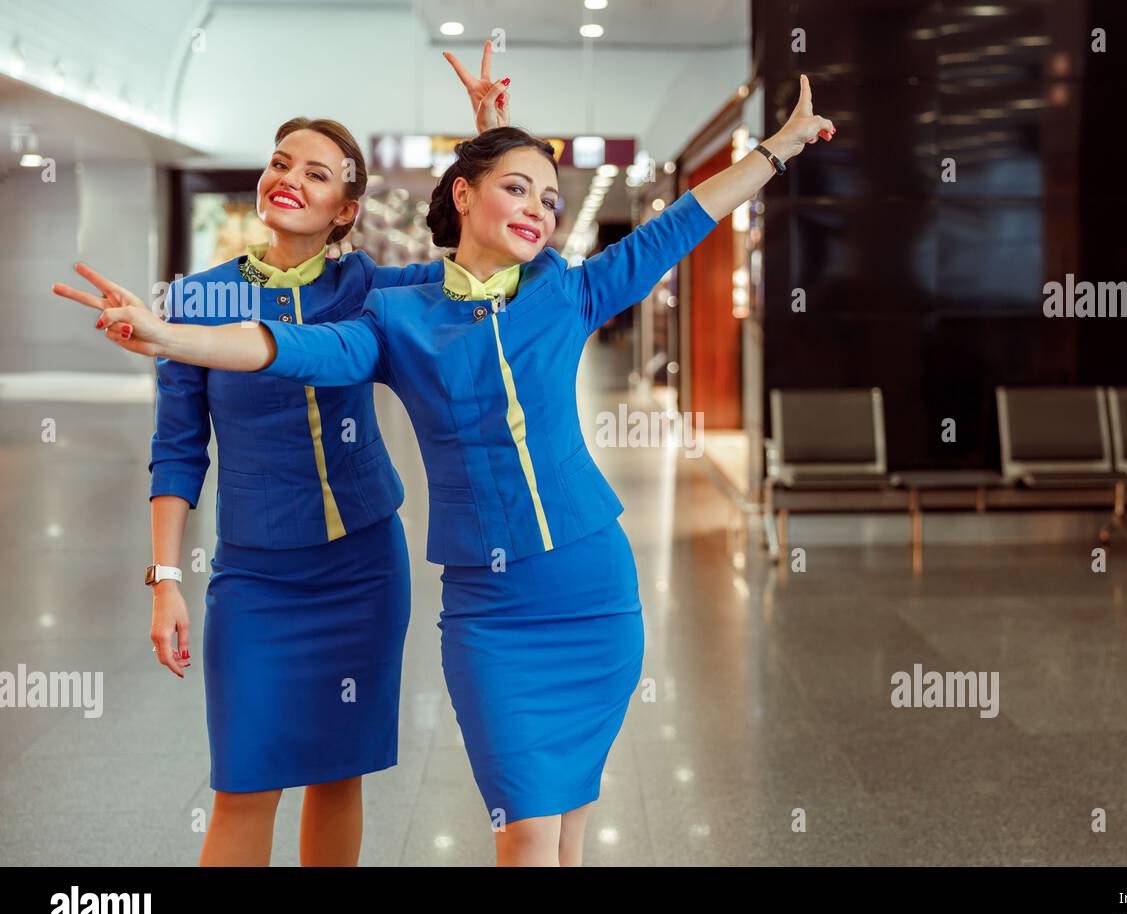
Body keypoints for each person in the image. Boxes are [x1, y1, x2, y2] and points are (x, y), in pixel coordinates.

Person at [77, 75, 834, 866]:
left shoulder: (559, 291)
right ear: (464, 195)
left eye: (550, 199)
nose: (540, 209)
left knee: (560, 825)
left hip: (590, 588)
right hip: (481, 604)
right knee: (524, 821)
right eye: (517, 190)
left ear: (346, 209)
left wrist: (779, 150)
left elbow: (686, 219)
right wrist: (172, 337)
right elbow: (293, 348)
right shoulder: (395, 313)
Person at [51, 41, 514, 867]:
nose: (287, 177)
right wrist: (165, 583)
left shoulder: (371, 288)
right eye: (278, 162)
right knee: (244, 781)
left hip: (364, 563)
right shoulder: (195, 302)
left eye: (315, 171)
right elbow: (177, 451)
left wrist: (492, 135)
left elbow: (488, 267)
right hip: (256, 574)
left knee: (339, 777)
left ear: (345, 208)